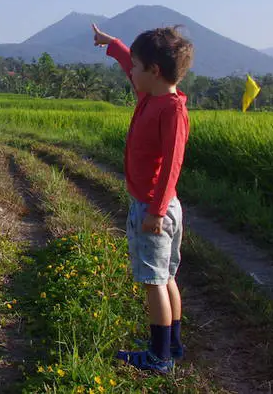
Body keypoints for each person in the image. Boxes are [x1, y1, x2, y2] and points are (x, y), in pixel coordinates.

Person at [92, 23, 194, 373]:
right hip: (157, 207)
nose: (131, 73)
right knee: (166, 278)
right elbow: (128, 66)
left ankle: (159, 356)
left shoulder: (172, 110)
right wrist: (114, 45)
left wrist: (155, 210)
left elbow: (172, 167)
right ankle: (172, 344)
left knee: (154, 282)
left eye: (137, 67)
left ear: (153, 71)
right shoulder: (151, 96)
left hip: (155, 210)